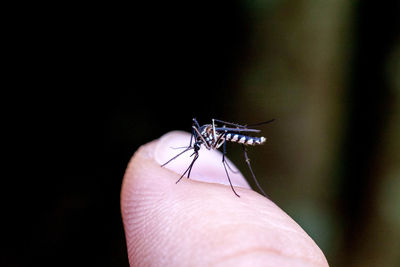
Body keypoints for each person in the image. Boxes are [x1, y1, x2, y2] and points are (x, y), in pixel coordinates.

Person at [121, 131, 328, 266]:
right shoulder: (199, 140)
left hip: (233, 134)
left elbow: (218, 132)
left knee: (219, 133)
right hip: (220, 135)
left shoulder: (207, 138)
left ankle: (228, 172)